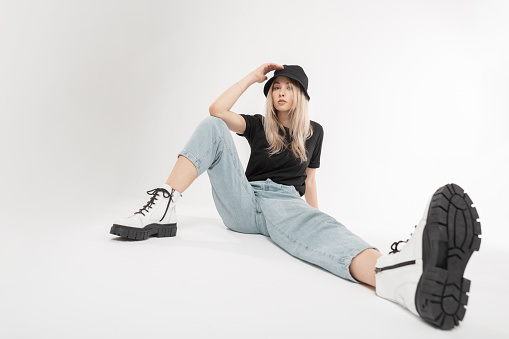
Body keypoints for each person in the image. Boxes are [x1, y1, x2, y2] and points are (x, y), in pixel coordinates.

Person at [110, 63, 482, 330]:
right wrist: (253, 77)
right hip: (243, 201)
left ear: (300, 94)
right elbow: (217, 111)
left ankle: (400, 277)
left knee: (329, 234)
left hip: (286, 203)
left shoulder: (314, 132)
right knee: (212, 126)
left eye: (288, 86)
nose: (280, 91)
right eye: (275, 87)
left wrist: (318, 217)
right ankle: (166, 201)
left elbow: (310, 180)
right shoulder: (257, 124)